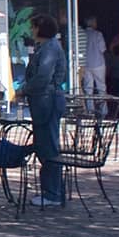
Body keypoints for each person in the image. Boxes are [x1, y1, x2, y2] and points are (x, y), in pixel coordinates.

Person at [21, 12, 68, 206]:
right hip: (42, 100)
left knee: (48, 146)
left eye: (33, 27)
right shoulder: (46, 47)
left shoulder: (49, 48)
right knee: (45, 145)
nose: (31, 30)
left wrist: (24, 89)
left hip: (47, 100)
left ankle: (53, 193)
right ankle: (52, 191)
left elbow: (43, 76)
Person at [79, 16, 108, 107]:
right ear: (92, 23)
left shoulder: (82, 34)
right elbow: (102, 49)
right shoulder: (98, 34)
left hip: (86, 64)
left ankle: (90, 110)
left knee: (88, 88)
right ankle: (103, 110)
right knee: (101, 87)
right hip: (98, 63)